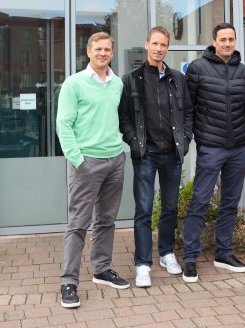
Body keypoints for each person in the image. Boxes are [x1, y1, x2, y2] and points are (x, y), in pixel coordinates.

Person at [56, 32, 130, 309]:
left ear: (112, 52)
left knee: (107, 220)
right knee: (77, 224)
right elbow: (63, 124)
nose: (103, 53)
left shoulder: (117, 84)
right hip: (86, 162)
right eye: (98, 49)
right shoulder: (74, 84)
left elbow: (118, 119)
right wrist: (77, 160)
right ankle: (68, 282)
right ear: (88, 52)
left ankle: (102, 269)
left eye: (107, 49)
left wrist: (122, 152)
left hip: (114, 159)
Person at [119, 27, 193, 288]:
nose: (159, 48)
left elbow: (188, 113)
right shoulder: (132, 79)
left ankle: (166, 253)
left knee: (170, 207)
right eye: (155, 44)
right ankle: (142, 264)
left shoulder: (177, 79)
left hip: (172, 153)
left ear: (167, 48)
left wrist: (185, 141)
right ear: (146, 44)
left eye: (163, 45)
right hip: (146, 154)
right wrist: (134, 142)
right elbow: (125, 117)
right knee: (144, 210)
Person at [181, 22, 245, 283]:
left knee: (230, 202)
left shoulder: (244, 73)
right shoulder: (198, 68)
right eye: (222, 39)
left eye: (231, 39)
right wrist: (194, 137)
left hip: (238, 147)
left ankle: (224, 253)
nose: (227, 44)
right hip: (211, 146)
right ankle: (190, 256)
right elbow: (188, 108)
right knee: (200, 200)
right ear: (213, 41)